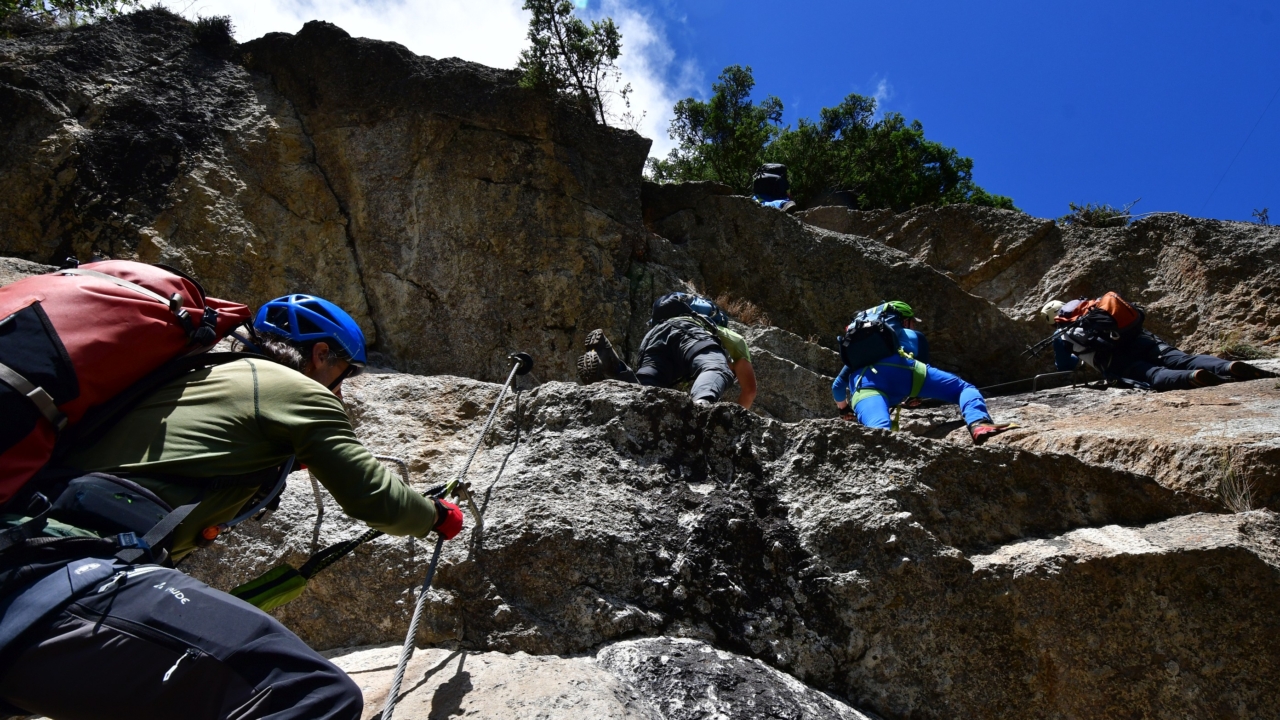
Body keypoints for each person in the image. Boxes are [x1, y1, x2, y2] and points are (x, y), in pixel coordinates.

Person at [0, 294, 463, 720]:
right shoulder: (297, 391)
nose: (341, 390)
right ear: (322, 354)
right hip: (65, 581)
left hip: (28, 567)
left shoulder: (192, 376)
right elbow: (377, 500)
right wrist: (437, 515)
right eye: (345, 372)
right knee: (311, 695)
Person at [832, 301, 1011, 444]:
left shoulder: (860, 353)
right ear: (904, 321)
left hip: (866, 384)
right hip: (907, 372)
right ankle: (979, 423)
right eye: (912, 321)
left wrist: (844, 409)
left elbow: (837, 386)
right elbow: (922, 368)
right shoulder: (914, 336)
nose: (914, 326)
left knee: (879, 433)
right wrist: (914, 396)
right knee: (963, 389)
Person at [1041, 297, 1276, 391]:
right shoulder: (1095, 306)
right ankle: (1227, 366)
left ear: (1053, 321)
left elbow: (1065, 366)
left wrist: (1080, 357)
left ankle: (1192, 377)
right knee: (1183, 359)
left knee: (1153, 374)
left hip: (1116, 360)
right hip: (1142, 339)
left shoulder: (1061, 335)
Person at [577, 293, 757, 409]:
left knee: (645, 397)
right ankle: (701, 409)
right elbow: (749, 390)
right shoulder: (719, 329)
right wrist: (738, 424)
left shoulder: (661, 322)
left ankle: (613, 367)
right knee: (716, 367)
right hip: (688, 331)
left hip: (653, 340)